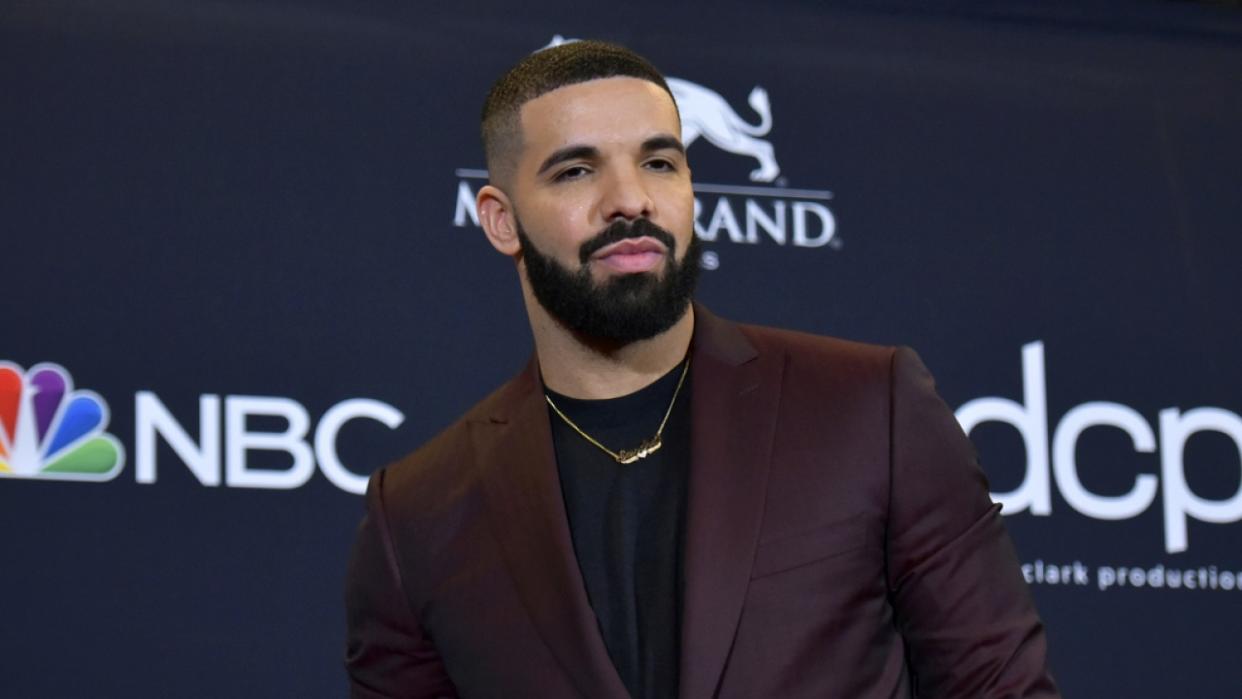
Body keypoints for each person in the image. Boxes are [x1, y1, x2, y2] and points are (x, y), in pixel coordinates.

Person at [344, 40, 1060, 699]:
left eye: (660, 162)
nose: (631, 199)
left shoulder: (870, 409)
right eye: (576, 170)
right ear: (502, 221)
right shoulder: (417, 514)